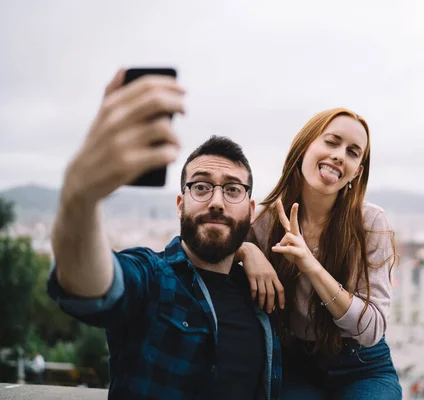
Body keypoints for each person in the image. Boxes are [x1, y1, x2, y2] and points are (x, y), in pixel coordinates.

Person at [47, 69, 280, 400]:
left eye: (232, 189)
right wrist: (80, 197)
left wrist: (247, 251)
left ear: (251, 210)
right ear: (180, 203)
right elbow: (96, 285)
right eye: (201, 186)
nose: (216, 201)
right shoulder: (153, 276)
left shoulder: (260, 295)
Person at [241, 108, 402, 399]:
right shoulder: (264, 223)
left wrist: (311, 266)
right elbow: (214, 248)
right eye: (331, 141)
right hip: (294, 364)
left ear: (357, 172)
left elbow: (372, 329)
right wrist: (247, 250)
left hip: (362, 363)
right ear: (304, 147)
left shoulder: (370, 224)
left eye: (353, 152)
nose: (340, 155)